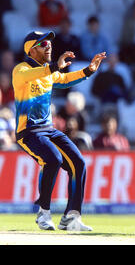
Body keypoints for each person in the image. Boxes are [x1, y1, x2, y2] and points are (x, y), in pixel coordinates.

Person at [12, 30, 106, 231]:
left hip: (48, 129)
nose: (50, 47)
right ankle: (43, 213)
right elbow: (35, 74)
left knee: (78, 163)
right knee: (53, 159)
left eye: (50, 43)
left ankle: (71, 217)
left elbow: (65, 79)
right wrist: (54, 67)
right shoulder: (21, 70)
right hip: (28, 132)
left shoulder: (48, 71)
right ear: (32, 49)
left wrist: (88, 70)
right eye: (44, 44)